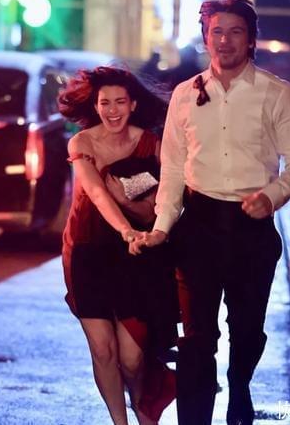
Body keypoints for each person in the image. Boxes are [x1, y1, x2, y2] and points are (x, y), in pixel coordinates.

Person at [131, 0, 290, 425]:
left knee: (247, 330)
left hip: (252, 229)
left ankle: (240, 386)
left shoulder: (277, 94)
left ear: (250, 40)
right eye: (217, 32)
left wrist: (272, 195)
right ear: (206, 37)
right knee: (197, 336)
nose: (225, 41)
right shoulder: (184, 95)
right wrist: (162, 227)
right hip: (198, 227)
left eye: (235, 32)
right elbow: (173, 167)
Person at [58, 66, 178, 425]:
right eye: (105, 103)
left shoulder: (152, 144)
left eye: (120, 102)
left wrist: (136, 219)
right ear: (95, 106)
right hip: (87, 251)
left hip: (138, 256)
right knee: (103, 351)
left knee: (132, 357)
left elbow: (163, 201)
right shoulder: (81, 143)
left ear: (133, 104)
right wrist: (126, 230)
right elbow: (97, 193)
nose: (112, 110)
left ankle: (144, 409)